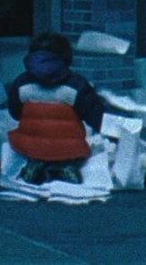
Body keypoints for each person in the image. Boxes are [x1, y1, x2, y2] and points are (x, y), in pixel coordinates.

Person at [6, 32, 105, 185]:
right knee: (70, 152)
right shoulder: (76, 84)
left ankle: (35, 163)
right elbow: (95, 115)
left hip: (32, 146)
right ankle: (66, 166)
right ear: (66, 56)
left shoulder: (22, 82)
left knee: (33, 149)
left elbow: (15, 112)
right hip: (69, 148)